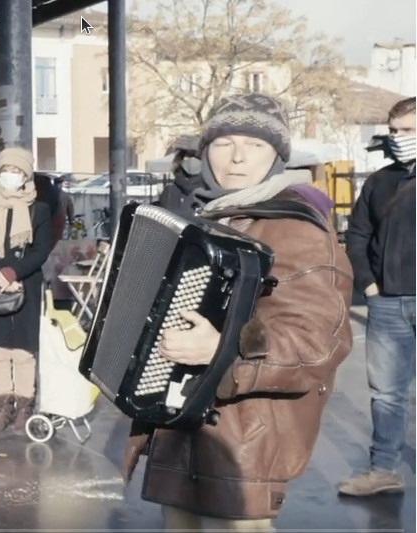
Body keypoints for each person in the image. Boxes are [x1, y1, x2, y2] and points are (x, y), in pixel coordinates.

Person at [121, 93, 353, 531]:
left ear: (278, 157)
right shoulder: (204, 214)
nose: (238, 157)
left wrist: (222, 348)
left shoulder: (293, 224)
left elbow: (317, 343)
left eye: (256, 145)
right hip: (179, 421)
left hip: (247, 431)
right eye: (224, 143)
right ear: (204, 151)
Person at [340, 97, 416, 497]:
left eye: (408, 131)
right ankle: (384, 468)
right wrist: (370, 285)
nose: (399, 138)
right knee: (387, 393)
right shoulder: (379, 181)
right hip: (388, 303)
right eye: (394, 131)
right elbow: (357, 235)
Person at [0, 147, 53, 434]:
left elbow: (41, 250)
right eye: (5, 171)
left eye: (16, 171)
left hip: (25, 282)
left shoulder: (39, 209)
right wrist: (0, 273)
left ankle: (25, 405)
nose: (9, 176)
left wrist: (15, 272)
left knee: (24, 352)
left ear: (27, 176)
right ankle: (2, 406)